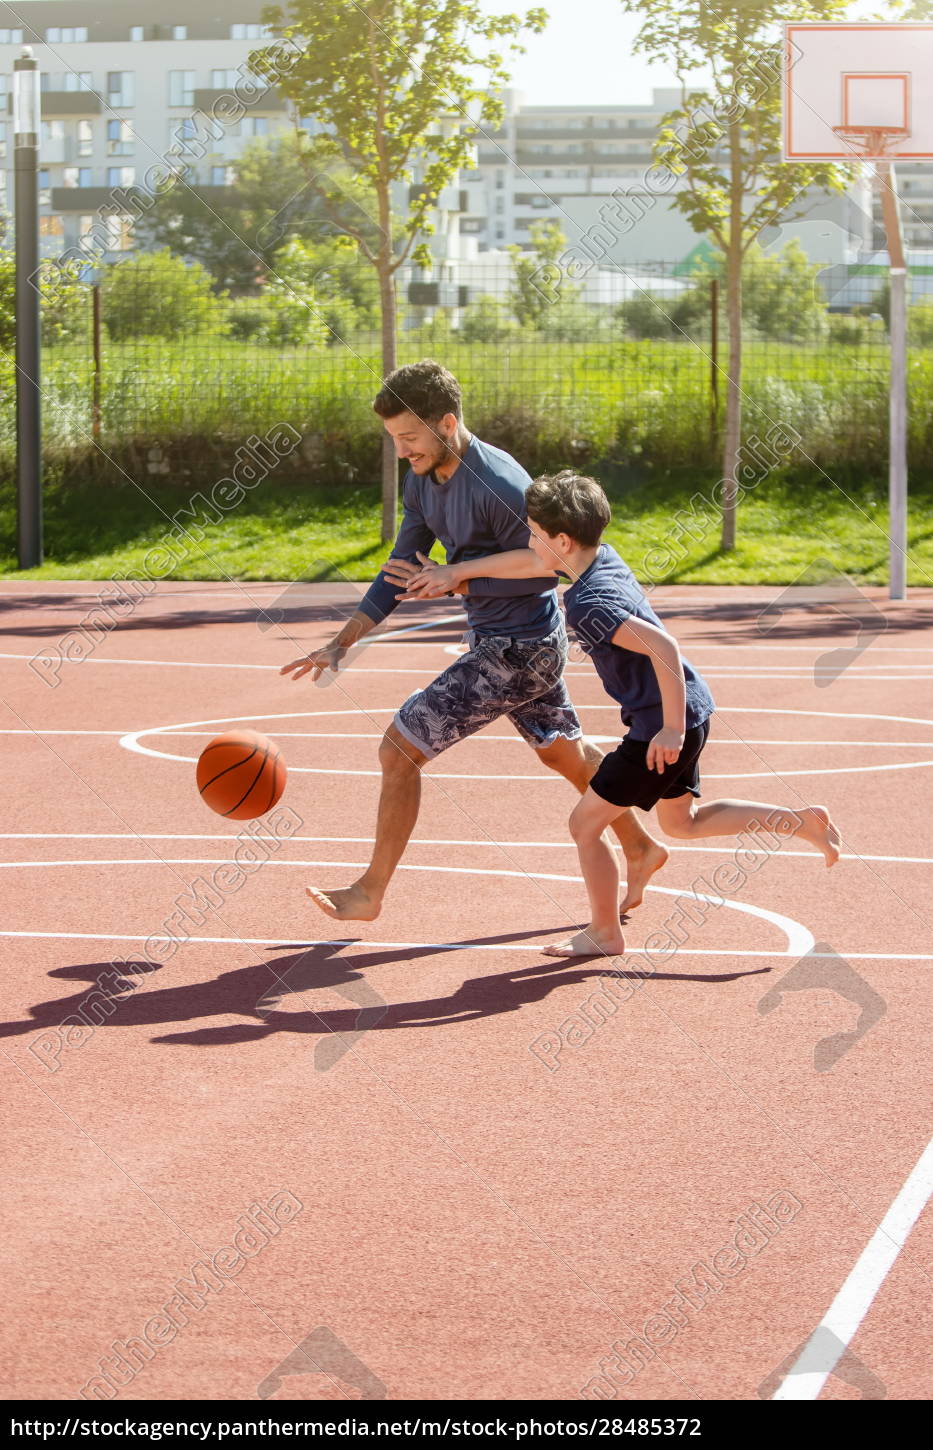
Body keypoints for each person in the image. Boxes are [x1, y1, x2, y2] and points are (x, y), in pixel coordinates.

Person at [281, 364, 667, 923]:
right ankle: (640, 846)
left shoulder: (502, 485)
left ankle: (369, 893)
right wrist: (342, 642)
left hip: (520, 648)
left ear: (447, 423)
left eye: (410, 439)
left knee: (399, 749)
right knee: (562, 751)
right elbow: (401, 570)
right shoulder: (421, 479)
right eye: (394, 441)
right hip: (507, 640)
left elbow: (545, 567)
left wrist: (457, 575)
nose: (402, 452)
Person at [405, 469, 841, 956]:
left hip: (662, 728)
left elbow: (663, 647)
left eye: (533, 531)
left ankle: (605, 933)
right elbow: (533, 564)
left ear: (563, 541)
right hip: (687, 712)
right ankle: (799, 822)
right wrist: (459, 574)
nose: (528, 539)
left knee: (584, 825)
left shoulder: (591, 603)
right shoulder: (600, 560)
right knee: (683, 823)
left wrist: (670, 729)